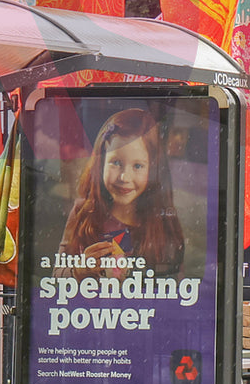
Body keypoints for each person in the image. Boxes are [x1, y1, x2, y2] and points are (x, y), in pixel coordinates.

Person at [58, 108, 185, 278]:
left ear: (154, 169)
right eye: (116, 162)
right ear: (100, 163)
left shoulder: (162, 221)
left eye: (138, 166)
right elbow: (55, 278)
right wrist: (79, 272)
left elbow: (178, 287)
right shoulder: (82, 212)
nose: (125, 177)